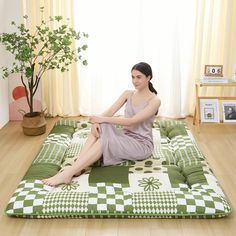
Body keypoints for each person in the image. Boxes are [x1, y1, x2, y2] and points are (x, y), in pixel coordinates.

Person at [42, 62, 161, 186]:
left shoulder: (155, 101)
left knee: (103, 137)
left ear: (148, 77)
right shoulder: (128, 94)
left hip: (141, 145)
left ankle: (68, 173)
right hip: (126, 137)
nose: (134, 81)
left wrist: (101, 119)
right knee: (102, 126)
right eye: (132, 77)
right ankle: (77, 167)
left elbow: (132, 121)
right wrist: (96, 122)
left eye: (139, 77)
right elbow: (108, 112)